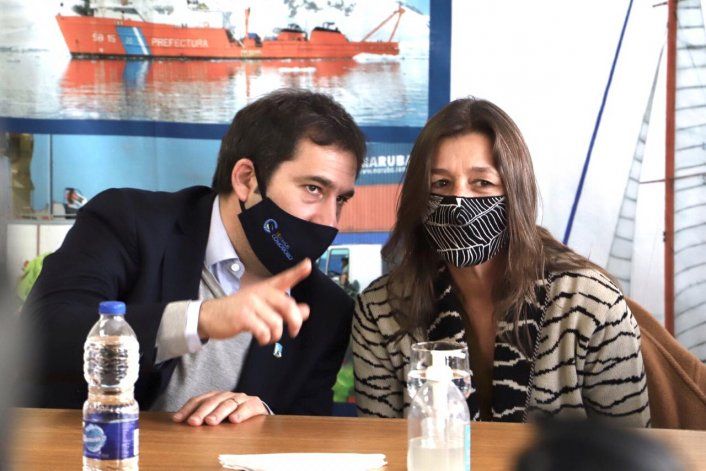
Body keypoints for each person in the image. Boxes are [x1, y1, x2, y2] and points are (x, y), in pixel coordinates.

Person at [23, 89, 366, 426]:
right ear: (246, 179)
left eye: (341, 200)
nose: (330, 221)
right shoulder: (128, 221)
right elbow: (43, 334)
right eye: (313, 189)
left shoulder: (325, 309)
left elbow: (307, 428)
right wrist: (198, 319)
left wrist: (265, 417)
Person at [352, 98, 650, 426]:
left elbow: (631, 446)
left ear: (515, 193)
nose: (459, 201)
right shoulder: (381, 311)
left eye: (482, 183)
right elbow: (379, 443)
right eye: (441, 183)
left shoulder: (590, 304)